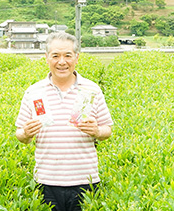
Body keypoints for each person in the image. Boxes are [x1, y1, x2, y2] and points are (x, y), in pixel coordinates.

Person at [15, 32, 113, 211]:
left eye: (68, 55)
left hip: (85, 180)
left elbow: (107, 129)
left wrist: (97, 131)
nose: (62, 62)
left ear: (76, 57)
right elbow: (20, 134)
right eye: (55, 56)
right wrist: (26, 134)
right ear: (46, 58)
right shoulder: (34, 91)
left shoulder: (92, 89)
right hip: (46, 181)